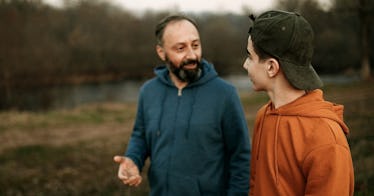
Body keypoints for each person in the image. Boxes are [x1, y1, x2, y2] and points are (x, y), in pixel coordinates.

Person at [113, 14, 251, 196]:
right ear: (161, 52)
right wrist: (133, 159)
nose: (192, 55)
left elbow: (240, 157)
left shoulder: (225, 94)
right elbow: (141, 136)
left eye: (195, 45)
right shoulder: (148, 91)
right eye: (180, 48)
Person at [243, 10, 354, 196]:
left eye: (249, 57)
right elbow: (255, 185)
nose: (245, 65)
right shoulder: (264, 115)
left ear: (271, 67)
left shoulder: (327, 141)